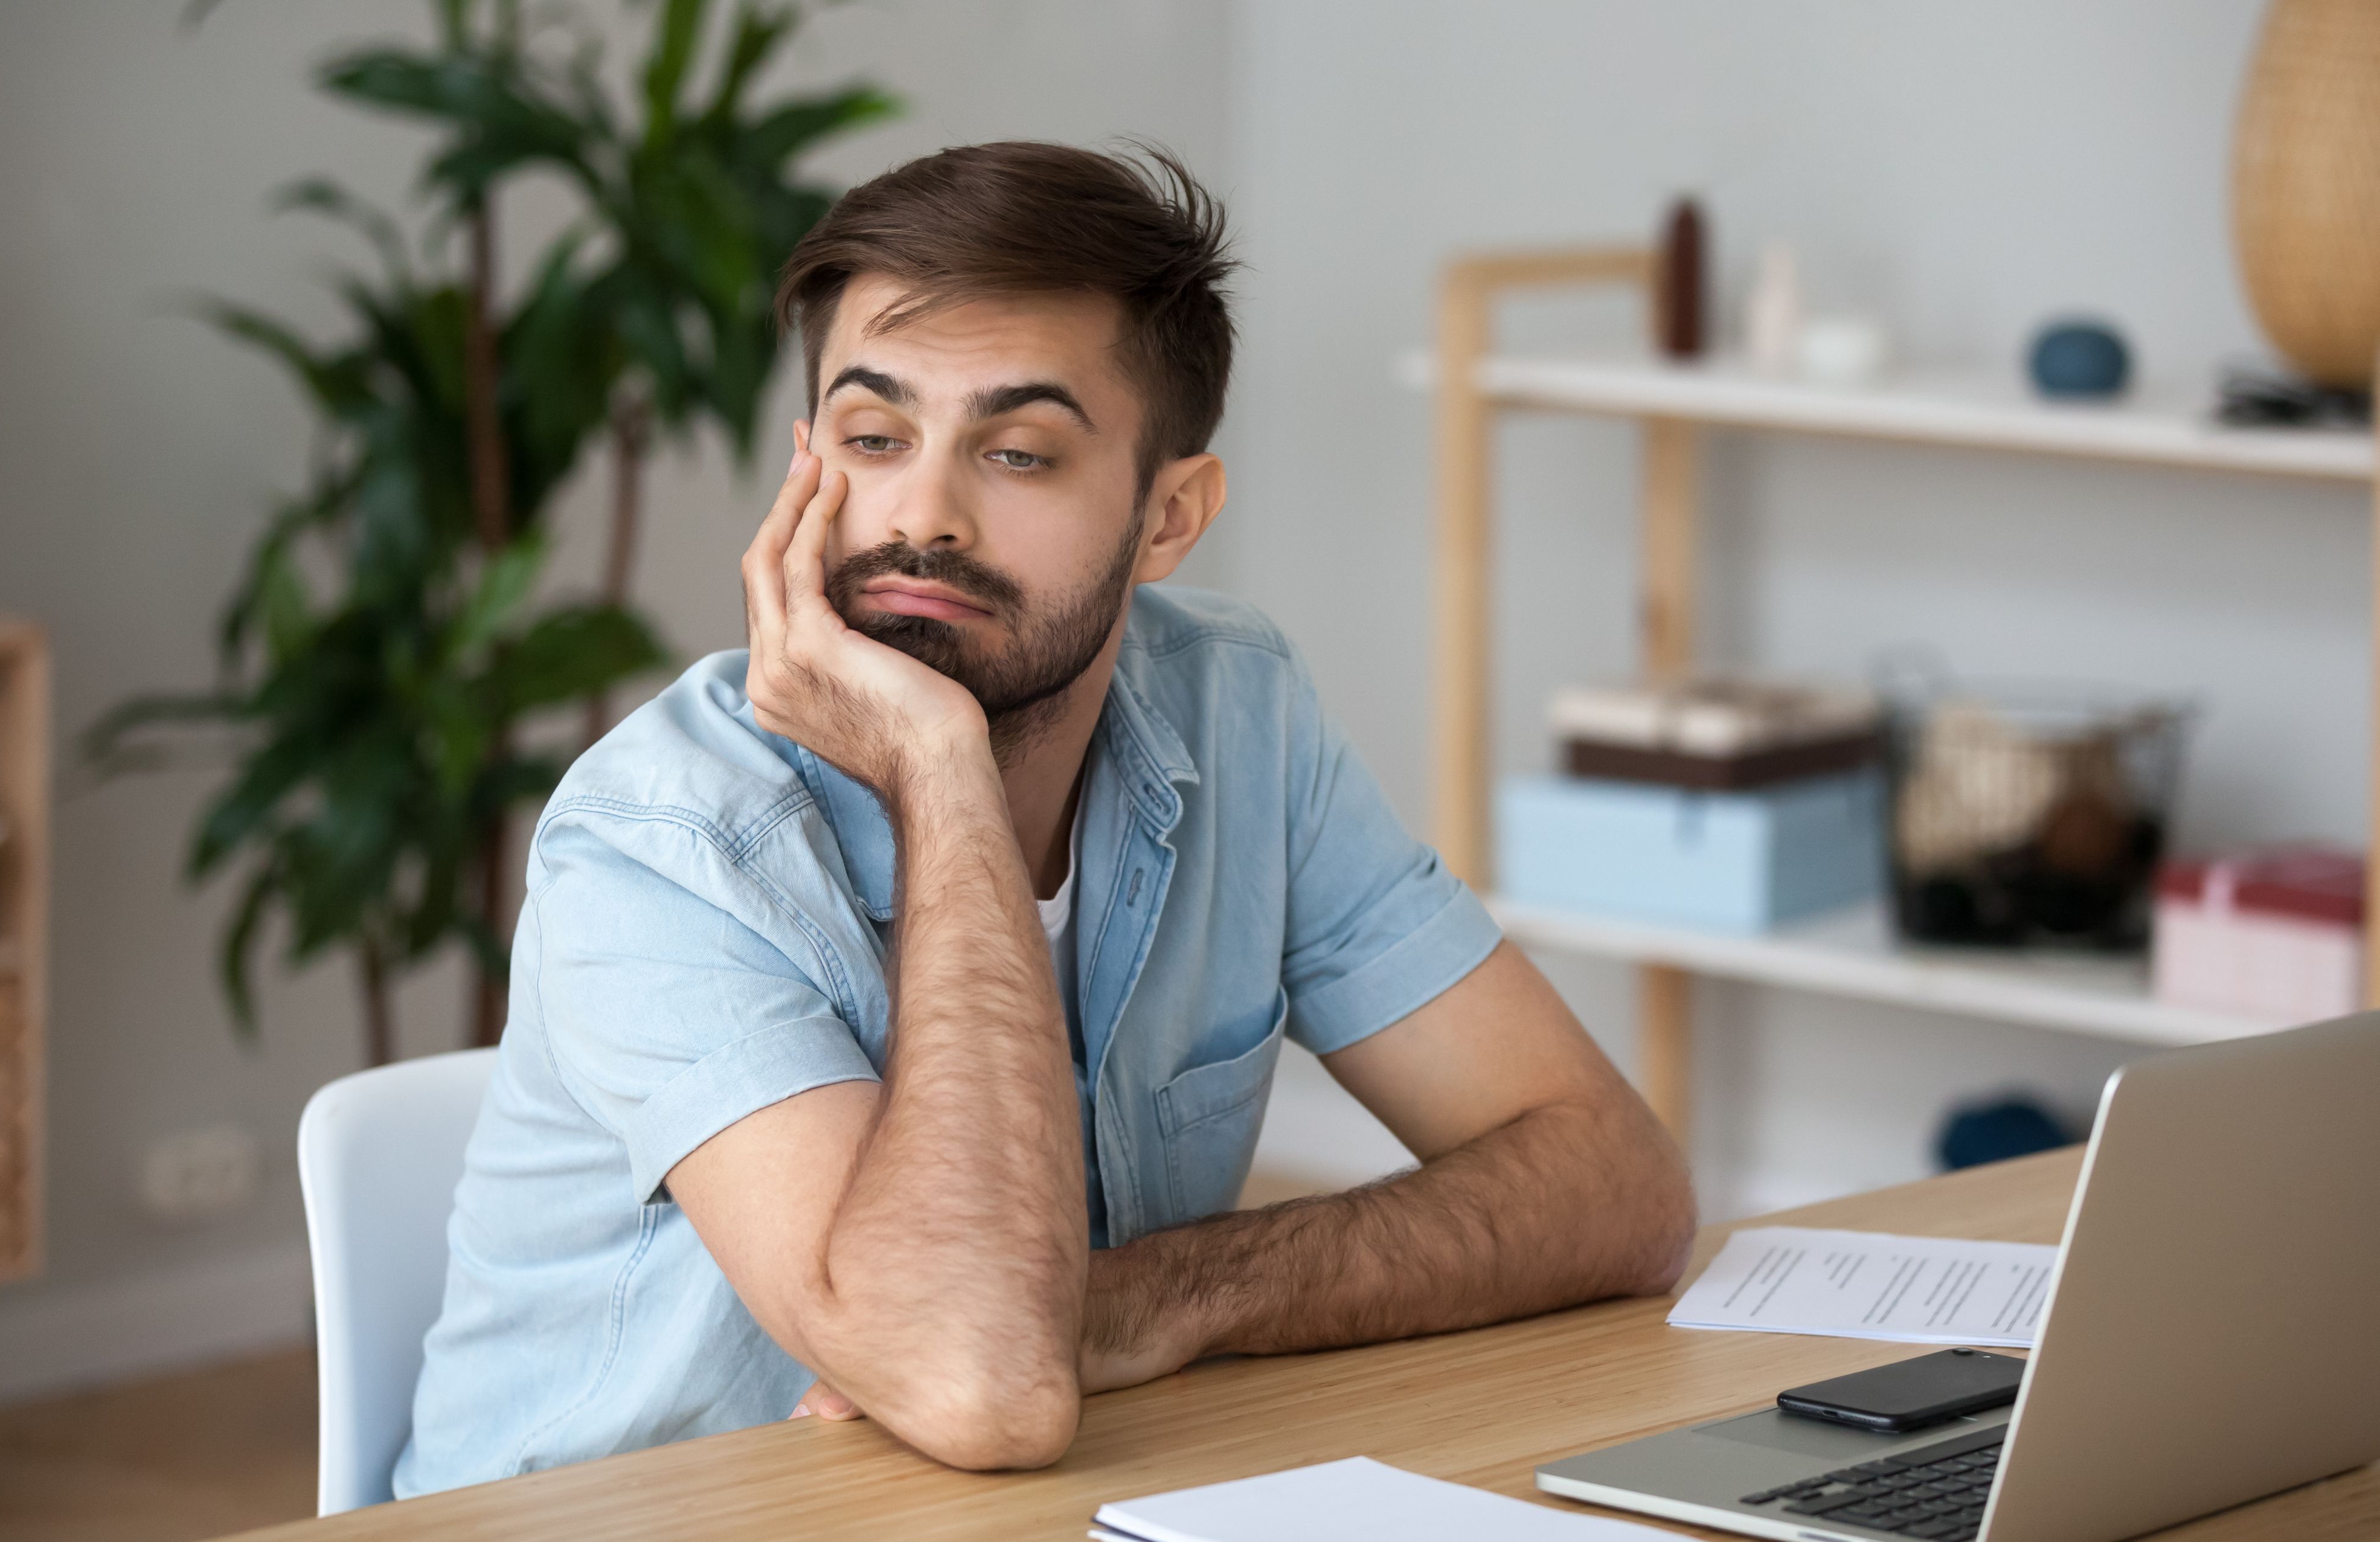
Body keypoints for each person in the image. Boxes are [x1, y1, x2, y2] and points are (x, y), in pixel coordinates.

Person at [394, 141, 1693, 1496]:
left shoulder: (1232, 709)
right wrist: (941, 767)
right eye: (872, 439)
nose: (922, 517)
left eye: (1016, 453)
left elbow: (1615, 1181)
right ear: (804, 473)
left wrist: (1156, 1293)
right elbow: (980, 1382)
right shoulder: (663, 836)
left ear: (1168, 515)